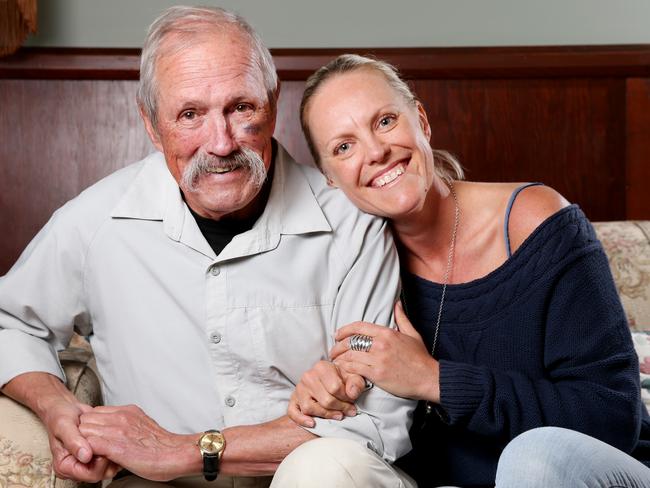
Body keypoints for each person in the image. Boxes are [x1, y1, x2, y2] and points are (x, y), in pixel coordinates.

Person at [0, 10, 418, 488]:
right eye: (190, 115)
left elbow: (377, 427)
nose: (220, 144)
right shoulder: (97, 220)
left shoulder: (352, 223)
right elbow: (9, 320)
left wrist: (179, 451)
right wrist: (60, 410)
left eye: (241, 108)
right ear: (152, 125)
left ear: (274, 102)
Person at [289, 54, 650, 487]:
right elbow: (360, 390)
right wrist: (322, 387)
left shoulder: (536, 224)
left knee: (533, 457)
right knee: (318, 468)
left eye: (385, 122)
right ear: (329, 177)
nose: (376, 152)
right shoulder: (355, 264)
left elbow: (612, 417)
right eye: (343, 147)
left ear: (420, 121)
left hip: (587, 471)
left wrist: (434, 379)